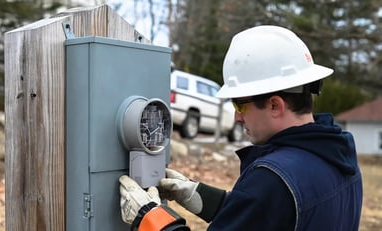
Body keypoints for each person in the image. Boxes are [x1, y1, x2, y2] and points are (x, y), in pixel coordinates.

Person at [119, 25, 363, 231]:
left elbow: (268, 204)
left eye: (239, 104)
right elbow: (269, 217)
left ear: (275, 105)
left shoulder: (273, 179)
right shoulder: (340, 158)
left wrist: (149, 217)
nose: (236, 117)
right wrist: (200, 196)